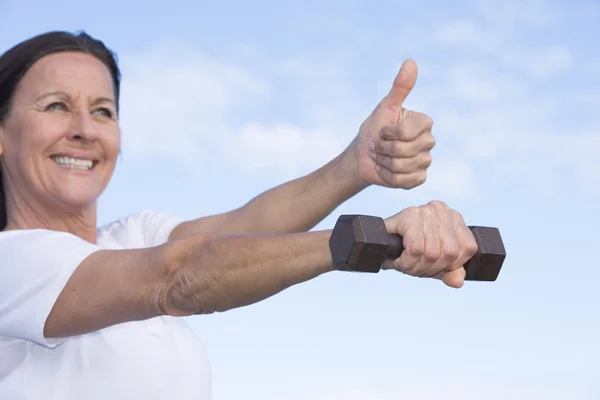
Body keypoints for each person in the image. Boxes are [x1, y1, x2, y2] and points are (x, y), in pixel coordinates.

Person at [0, 31, 478, 400]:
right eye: (57, 106)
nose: (85, 130)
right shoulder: (9, 264)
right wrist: (367, 239)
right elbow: (180, 274)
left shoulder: (135, 236)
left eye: (103, 111)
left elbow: (250, 227)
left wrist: (354, 166)